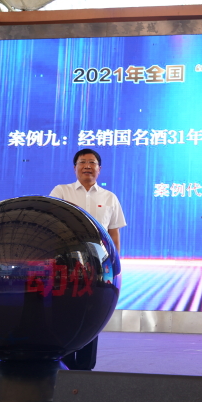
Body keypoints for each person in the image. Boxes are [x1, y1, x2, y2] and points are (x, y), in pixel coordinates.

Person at [49, 149, 126, 370]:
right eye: (82, 162)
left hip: (97, 266)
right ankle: (62, 363)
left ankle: (84, 367)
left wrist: (115, 263)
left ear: (99, 169)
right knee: (64, 312)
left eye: (92, 162)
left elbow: (113, 233)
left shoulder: (109, 197)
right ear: (75, 168)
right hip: (66, 264)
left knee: (91, 314)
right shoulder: (61, 191)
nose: (87, 166)